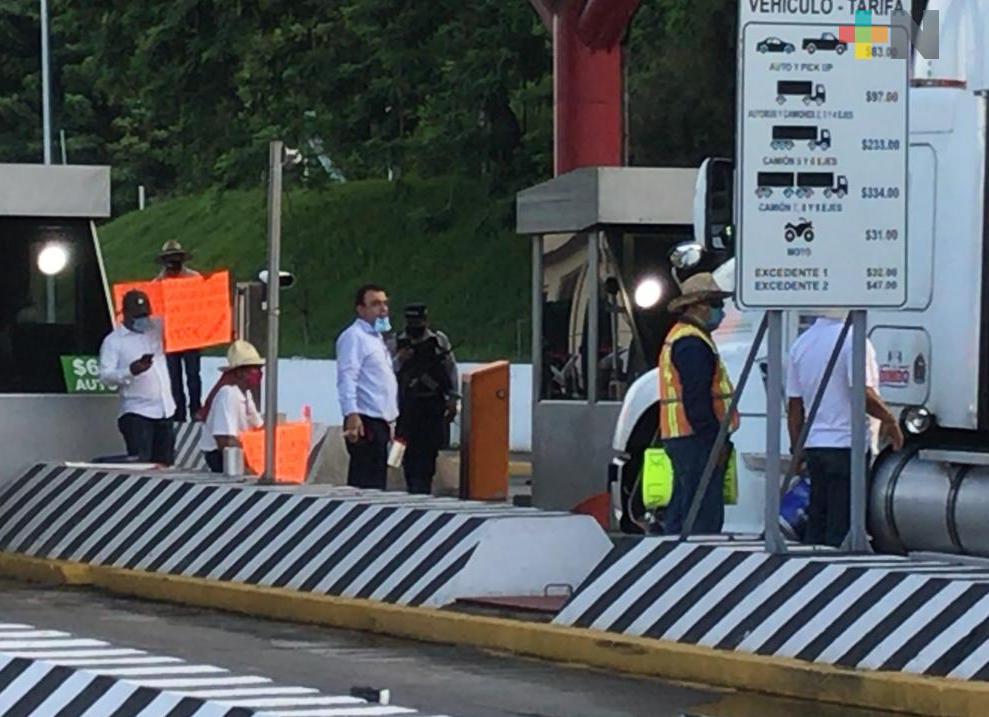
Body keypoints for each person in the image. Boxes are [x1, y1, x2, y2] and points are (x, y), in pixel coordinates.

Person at [787, 311, 904, 547]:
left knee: (818, 517)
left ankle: (811, 571)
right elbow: (862, 392)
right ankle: (835, 572)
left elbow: (795, 407)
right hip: (847, 446)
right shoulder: (855, 341)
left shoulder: (802, 344)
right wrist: (890, 420)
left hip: (816, 446)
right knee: (842, 523)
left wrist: (797, 448)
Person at [657, 273, 738, 535]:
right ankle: (697, 564)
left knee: (684, 509)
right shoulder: (691, 343)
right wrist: (715, 442)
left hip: (686, 438)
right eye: (715, 304)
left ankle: (674, 562)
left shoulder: (687, 337)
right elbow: (697, 400)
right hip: (696, 439)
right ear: (698, 306)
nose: (721, 311)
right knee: (702, 515)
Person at [99, 290, 176, 464]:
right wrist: (130, 371)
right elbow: (105, 376)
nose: (143, 320)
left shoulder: (157, 328)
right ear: (125, 314)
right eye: (137, 316)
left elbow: (181, 317)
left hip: (165, 410)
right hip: (137, 412)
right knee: (142, 462)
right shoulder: (114, 341)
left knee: (166, 464)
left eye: (145, 314)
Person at [336, 284, 399, 489]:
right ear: (361, 309)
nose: (383, 309)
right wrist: (352, 414)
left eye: (384, 303)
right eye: (375, 304)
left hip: (380, 420)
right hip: (365, 420)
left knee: (377, 480)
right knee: (365, 482)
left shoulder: (376, 338)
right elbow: (347, 377)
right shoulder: (355, 337)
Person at [394, 303, 459, 494]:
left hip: (431, 405)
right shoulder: (397, 342)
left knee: (429, 451)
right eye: (412, 321)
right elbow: (386, 371)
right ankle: (404, 481)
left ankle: (423, 487)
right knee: (402, 447)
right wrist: (400, 359)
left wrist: (453, 399)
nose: (415, 325)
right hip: (406, 407)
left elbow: (450, 369)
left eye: (419, 321)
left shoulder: (438, 340)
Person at [154, 240, 203, 423]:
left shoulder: (194, 278)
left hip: (190, 335)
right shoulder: (158, 283)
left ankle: (196, 409)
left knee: (193, 376)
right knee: (174, 379)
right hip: (170, 338)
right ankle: (178, 413)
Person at [198, 340, 264, 473]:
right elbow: (224, 440)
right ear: (239, 372)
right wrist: (248, 463)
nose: (258, 373)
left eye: (258, 368)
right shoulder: (228, 394)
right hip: (221, 456)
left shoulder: (245, 393)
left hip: (238, 450)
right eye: (252, 369)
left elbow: (258, 426)